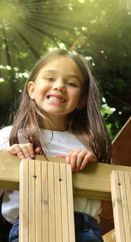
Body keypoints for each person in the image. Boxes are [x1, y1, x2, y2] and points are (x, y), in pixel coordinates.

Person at [0, 49, 112, 242]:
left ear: (82, 100)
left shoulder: (88, 144)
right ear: (32, 89)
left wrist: (93, 166)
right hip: (30, 224)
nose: (59, 86)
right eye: (50, 78)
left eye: (71, 83)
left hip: (84, 229)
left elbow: (106, 198)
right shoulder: (11, 136)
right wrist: (8, 162)